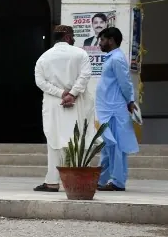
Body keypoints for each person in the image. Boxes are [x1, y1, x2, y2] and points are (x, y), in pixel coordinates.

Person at [33, 25, 95, 192]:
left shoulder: (43, 58)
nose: (73, 38)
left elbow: (40, 82)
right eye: (72, 35)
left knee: (54, 143)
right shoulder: (80, 54)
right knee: (77, 141)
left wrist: (61, 93)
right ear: (67, 37)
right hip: (76, 103)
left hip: (54, 104)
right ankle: (79, 180)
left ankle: (52, 182)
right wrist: (72, 94)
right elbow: (85, 75)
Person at [96, 27, 138, 191]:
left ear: (111, 40)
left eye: (102, 40)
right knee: (108, 146)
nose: (100, 43)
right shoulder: (111, 58)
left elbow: (126, 84)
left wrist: (130, 101)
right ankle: (100, 180)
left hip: (115, 109)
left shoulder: (117, 59)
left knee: (117, 147)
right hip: (108, 108)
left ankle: (118, 182)